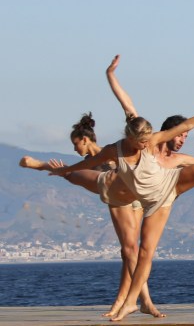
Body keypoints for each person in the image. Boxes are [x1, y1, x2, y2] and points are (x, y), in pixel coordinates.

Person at [50, 55, 194, 322]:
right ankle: (132, 302)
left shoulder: (169, 152)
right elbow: (126, 106)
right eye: (181, 136)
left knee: (144, 250)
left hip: (162, 196)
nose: (184, 139)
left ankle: (137, 302)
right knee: (132, 250)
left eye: (186, 136)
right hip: (135, 195)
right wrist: (111, 76)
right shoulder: (133, 141)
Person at [20, 113, 160, 318]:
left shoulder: (108, 152)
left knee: (130, 251)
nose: (75, 149)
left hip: (133, 197)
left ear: (85, 139)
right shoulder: (89, 163)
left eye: (76, 144)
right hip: (118, 199)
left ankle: (131, 300)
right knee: (128, 251)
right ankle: (123, 301)